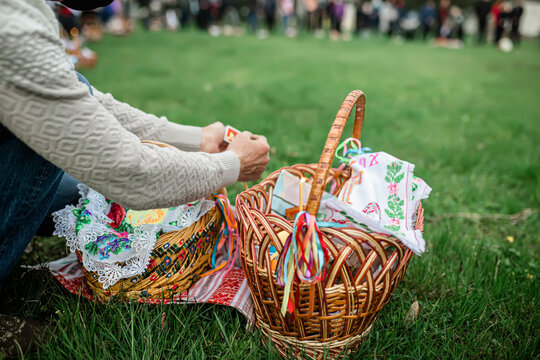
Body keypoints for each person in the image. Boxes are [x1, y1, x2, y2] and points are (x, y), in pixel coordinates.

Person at [0, 0, 270, 288]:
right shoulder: (12, 23)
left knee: (81, 195)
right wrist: (234, 164)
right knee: (100, 193)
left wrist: (196, 139)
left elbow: (80, 100)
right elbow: (129, 172)